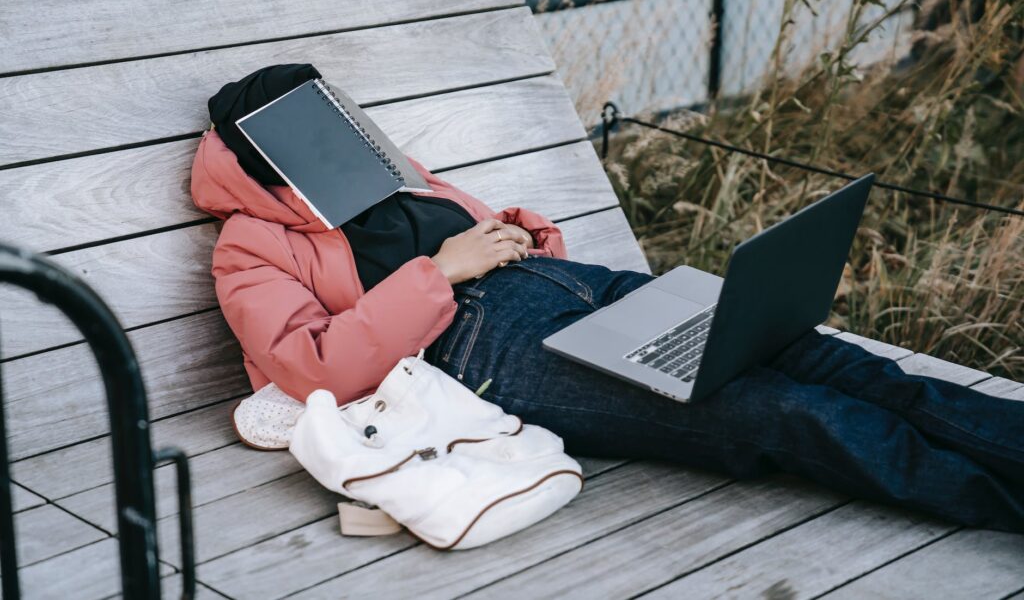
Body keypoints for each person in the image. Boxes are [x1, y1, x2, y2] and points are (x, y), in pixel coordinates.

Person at [192, 63, 1024, 533]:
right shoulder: (252, 245)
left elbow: (477, 234)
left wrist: (517, 231)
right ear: (261, 156)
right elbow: (310, 371)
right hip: (479, 349)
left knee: (820, 353)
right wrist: (439, 272)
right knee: (776, 408)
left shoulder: (388, 175)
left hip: (570, 288)